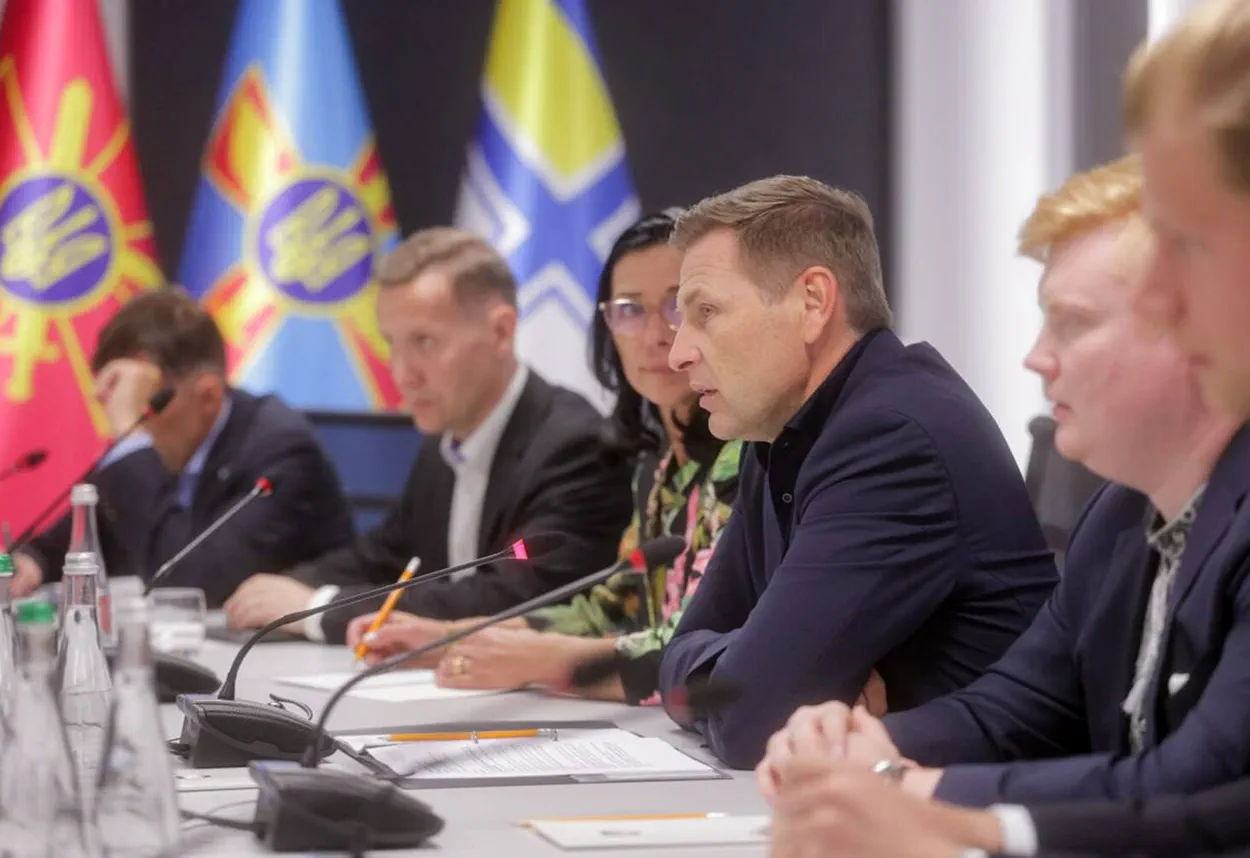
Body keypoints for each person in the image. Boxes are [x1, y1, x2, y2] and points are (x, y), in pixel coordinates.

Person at [764, 2, 1250, 847]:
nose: (1036, 359)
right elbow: (1016, 712)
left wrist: (913, 792)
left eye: (1192, 245)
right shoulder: (1119, 515)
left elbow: (1207, 788)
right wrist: (868, 750)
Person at [655, 175, 1059, 769]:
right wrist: (753, 669)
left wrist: (755, 677)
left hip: (973, 802)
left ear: (813, 302)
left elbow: (747, 720)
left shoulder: (892, 438)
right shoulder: (781, 429)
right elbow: (681, 664)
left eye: (707, 312)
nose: (678, 354)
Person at [346, 211, 745, 704]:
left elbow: (702, 649)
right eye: (629, 310)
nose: (655, 334)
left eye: (677, 306)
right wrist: (449, 637)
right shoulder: (658, 464)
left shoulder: (748, 459)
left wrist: (546, 661)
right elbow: (608, 610)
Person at [223, 228, 632, 643]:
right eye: (392, 344)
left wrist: (317, 608)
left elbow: (512, 598)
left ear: (502, 331)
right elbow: (384, 557)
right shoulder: (443, 444)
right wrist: (280, 591)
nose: (402, 374)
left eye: (424, 342)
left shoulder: (576, 446)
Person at [12, 288, 353, 607]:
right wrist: (35, 561)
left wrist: (133, 441)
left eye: (144, 400)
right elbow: (86, 532)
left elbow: (185, 585)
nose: (133, 420)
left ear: (208, 396)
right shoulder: (169, 447)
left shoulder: (282, 455)